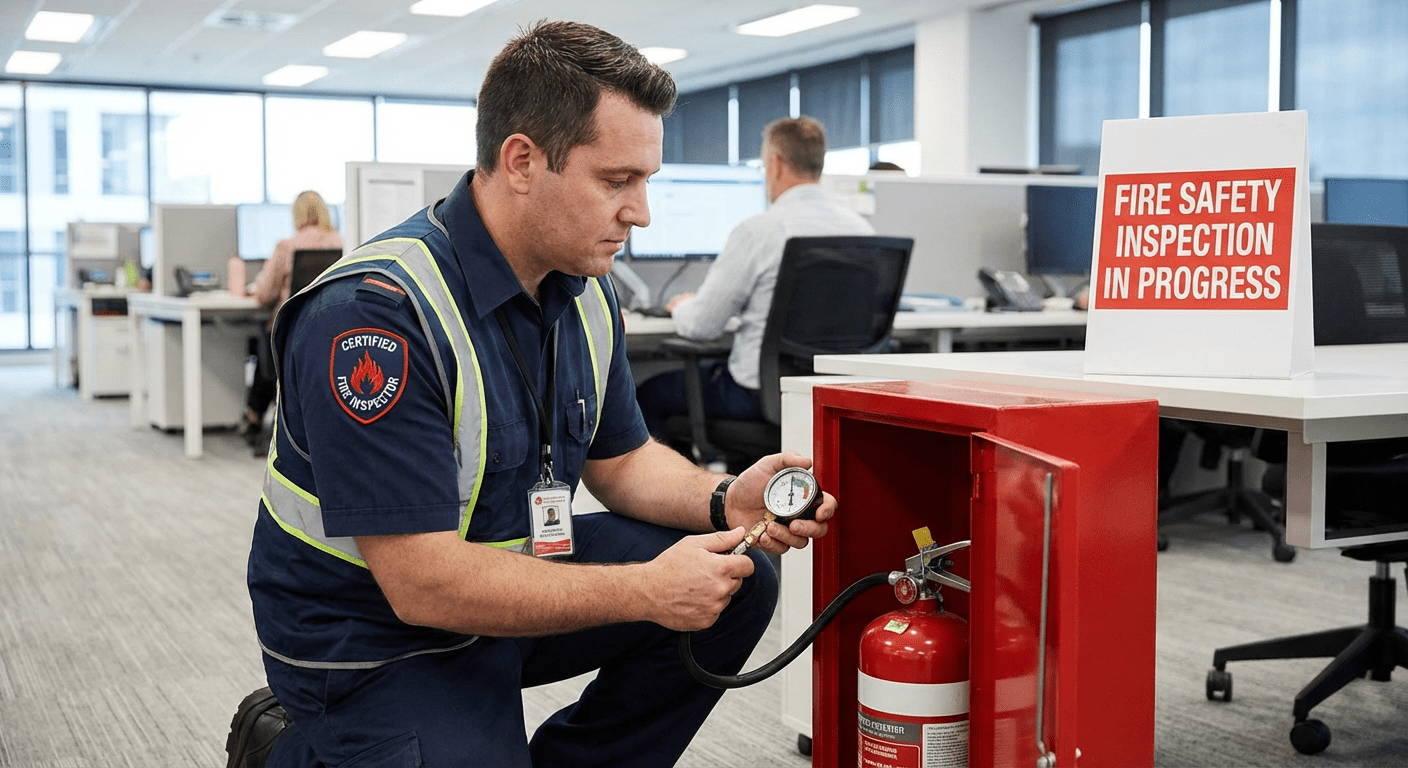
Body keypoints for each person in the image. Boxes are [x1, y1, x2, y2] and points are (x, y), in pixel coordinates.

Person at [230, 20, 835, 768]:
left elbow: (623, 460)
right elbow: (422, 583)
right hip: (372, 636)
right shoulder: (375, 317)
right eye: (617, 181)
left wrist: (725, 502)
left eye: (646, 181)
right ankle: (291, 749)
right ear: (522, 160)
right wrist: (646, 590)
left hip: (503, 572)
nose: (641, 212)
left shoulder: (584, 291)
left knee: (738, 582)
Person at [634, 116, 875, 442]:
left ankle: (688, 489)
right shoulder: (863, 232)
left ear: (774, 164)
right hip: (830, 395)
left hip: (758, 396)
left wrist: (682, 307)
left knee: (649, 392)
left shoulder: (760, 231)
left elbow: (703, 326)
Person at [243, 190, 343, 454]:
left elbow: (265, 295)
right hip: (329, 331)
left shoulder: (288, 245)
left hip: (291, 332)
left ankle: (253, 419)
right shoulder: (341, 242)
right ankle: (254, 419)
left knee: (267, 347)